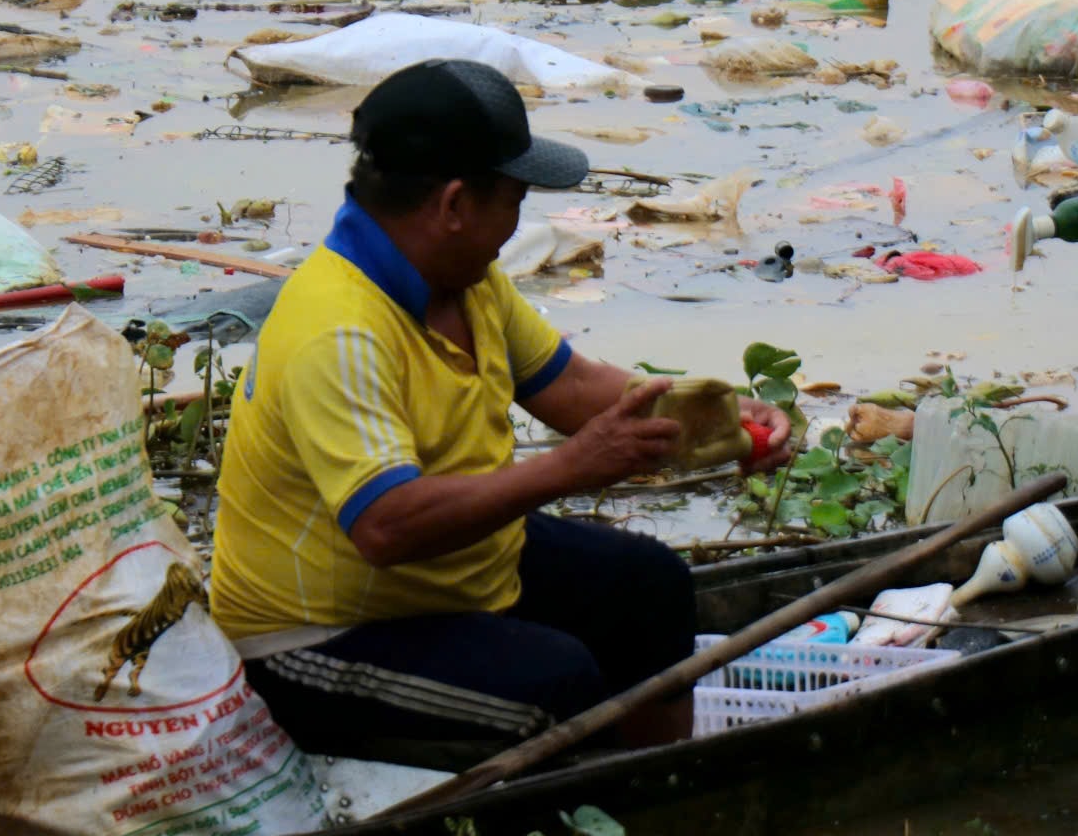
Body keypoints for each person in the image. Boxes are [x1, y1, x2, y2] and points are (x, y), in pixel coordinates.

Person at [210, 58, 793, 756]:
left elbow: (573, 387)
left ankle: (662, 790)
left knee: (652, 587)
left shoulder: (465, 279)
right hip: (317, 636)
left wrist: (724, 418)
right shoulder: (338, 330)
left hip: (454, 574)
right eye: (513, 199)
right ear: (454, 206)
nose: (518, 222)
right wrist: (570, 468)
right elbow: (387, 527)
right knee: (555, 686)